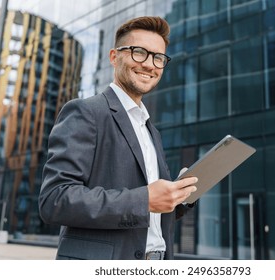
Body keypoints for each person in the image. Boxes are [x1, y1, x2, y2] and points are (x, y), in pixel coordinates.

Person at [38, 16, 198, 260]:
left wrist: (176, 199)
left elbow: (148, 211)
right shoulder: (85, 112)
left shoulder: (150, 129)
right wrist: (145, 199)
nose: (149, 64)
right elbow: (55, 199)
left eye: (158, 58)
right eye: (139, 52)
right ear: (114, 57)